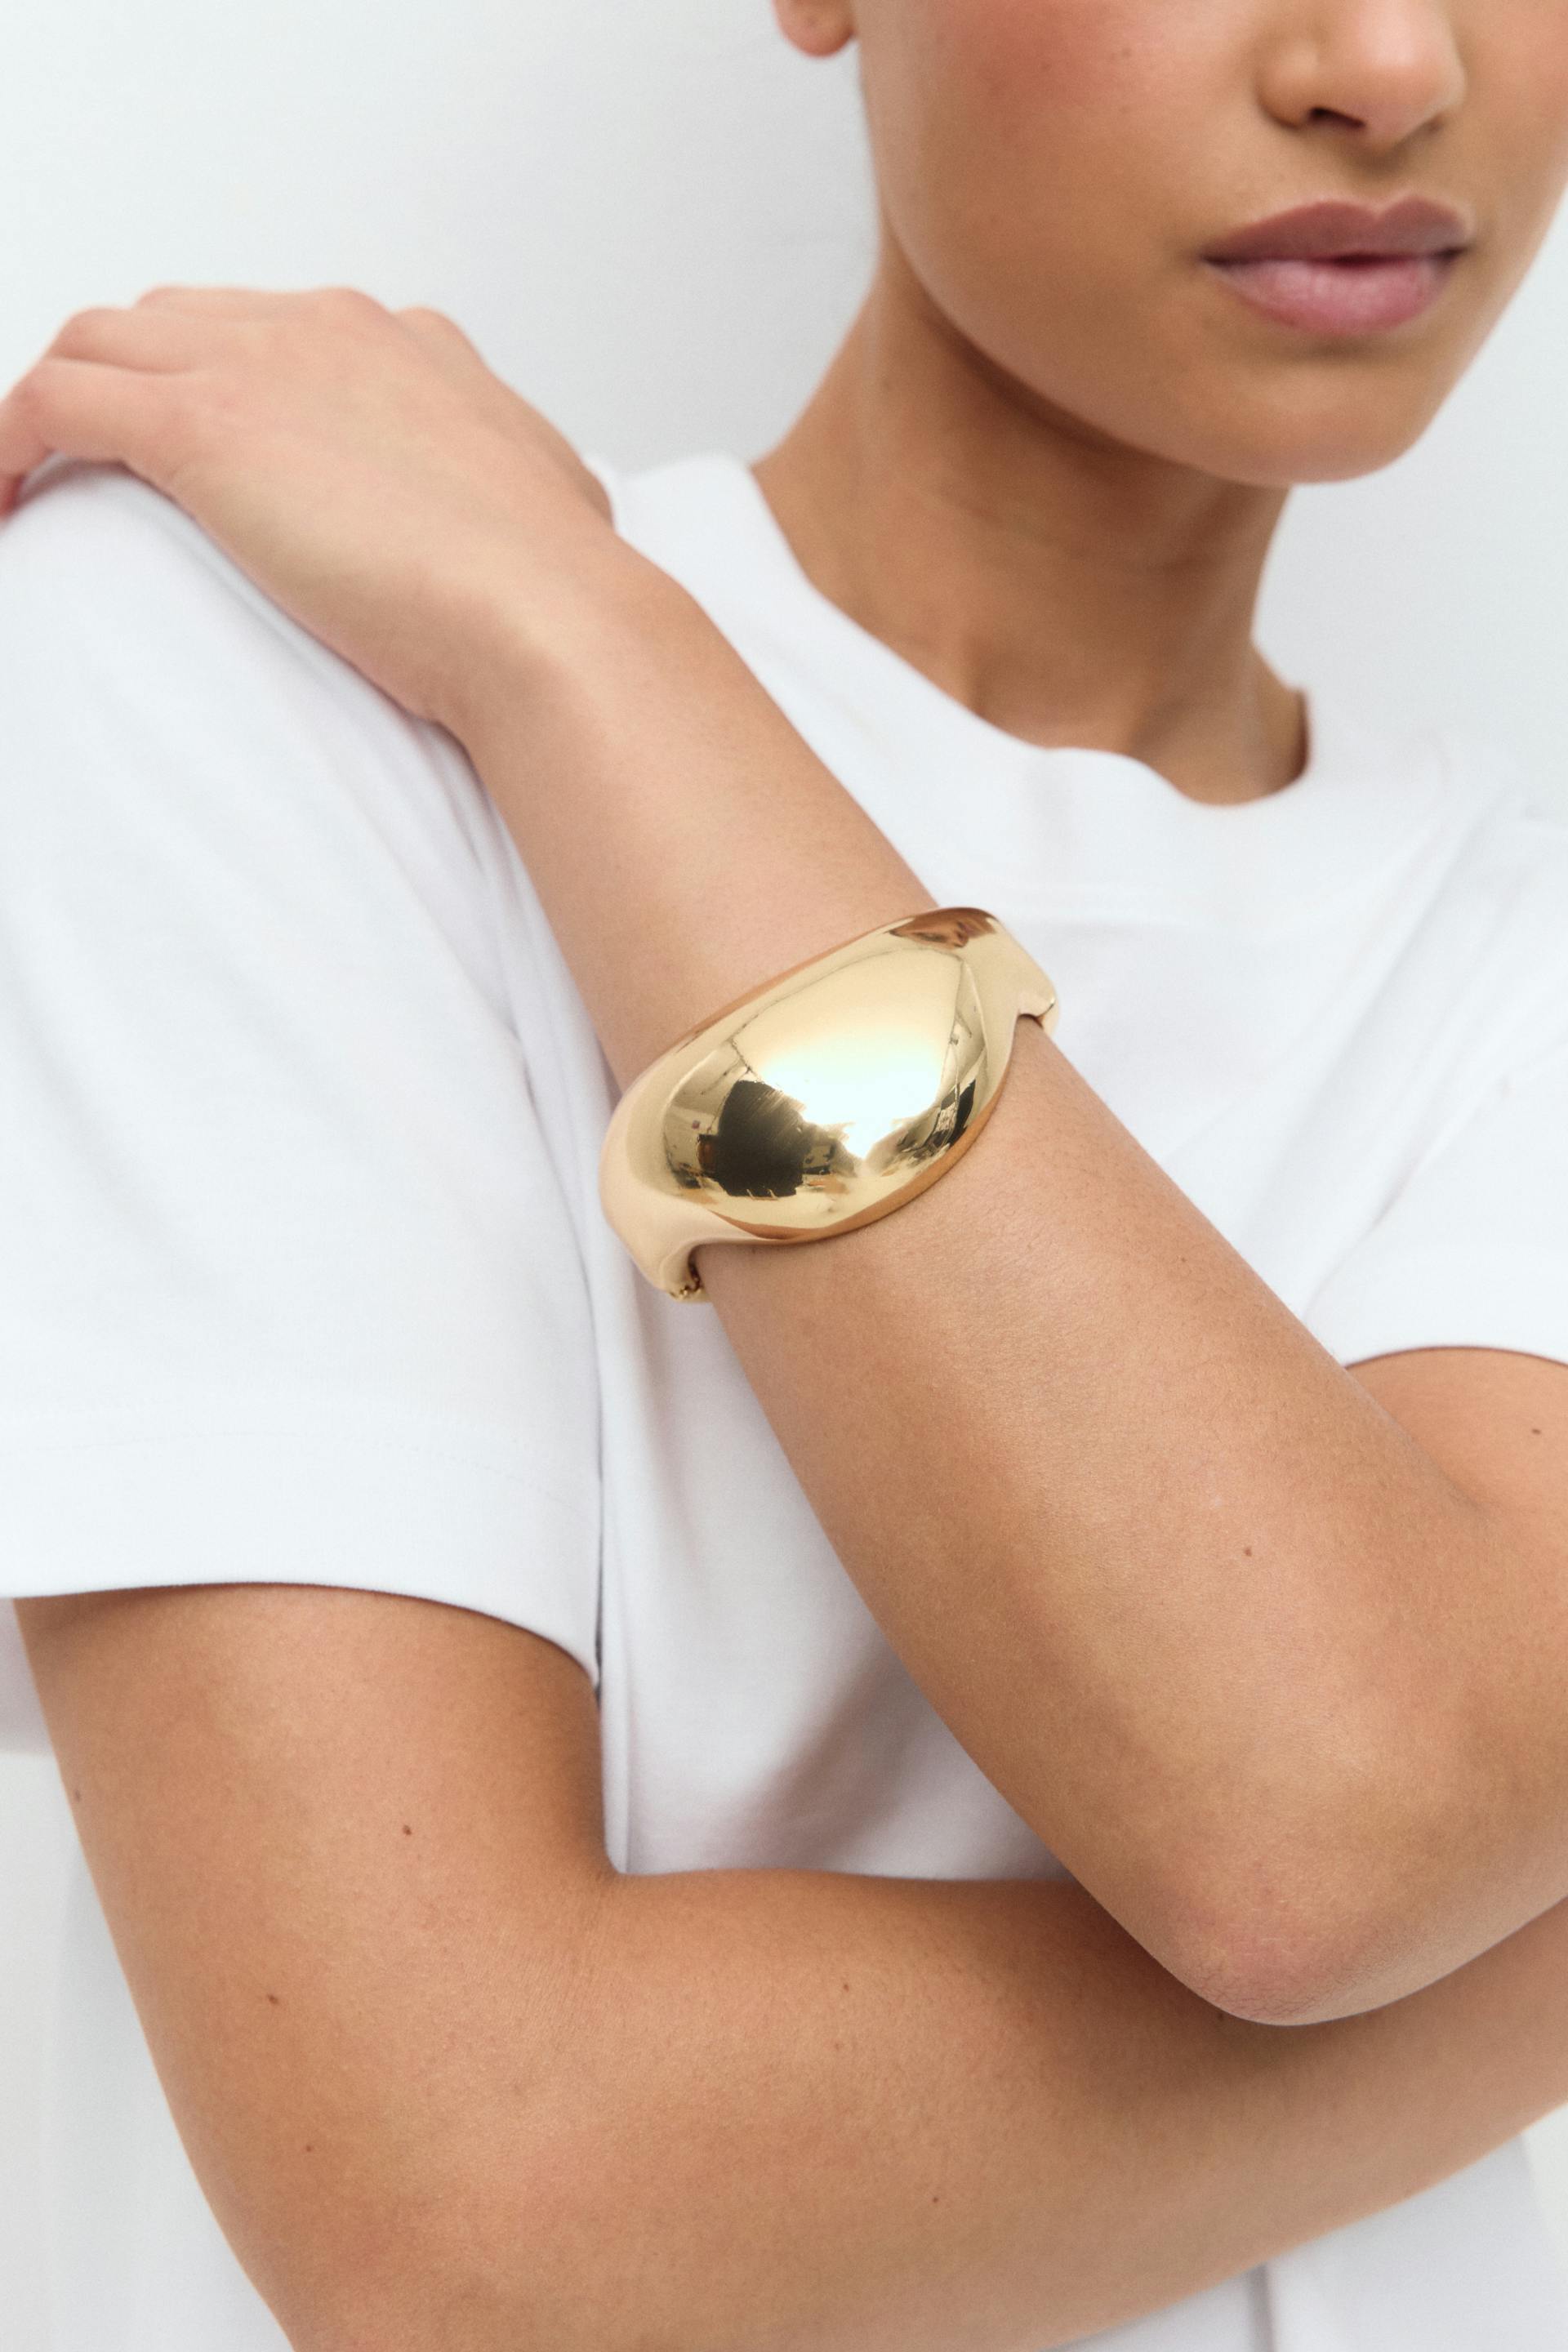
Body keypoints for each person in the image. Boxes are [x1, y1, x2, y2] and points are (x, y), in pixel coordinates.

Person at [2, 0, 1567, 2345]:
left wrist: (587, 659)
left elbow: (1318, 1816)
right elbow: (480, 2207)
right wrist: (571, 631)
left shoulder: (1520, 962)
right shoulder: (262, 662)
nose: (1383, 63)